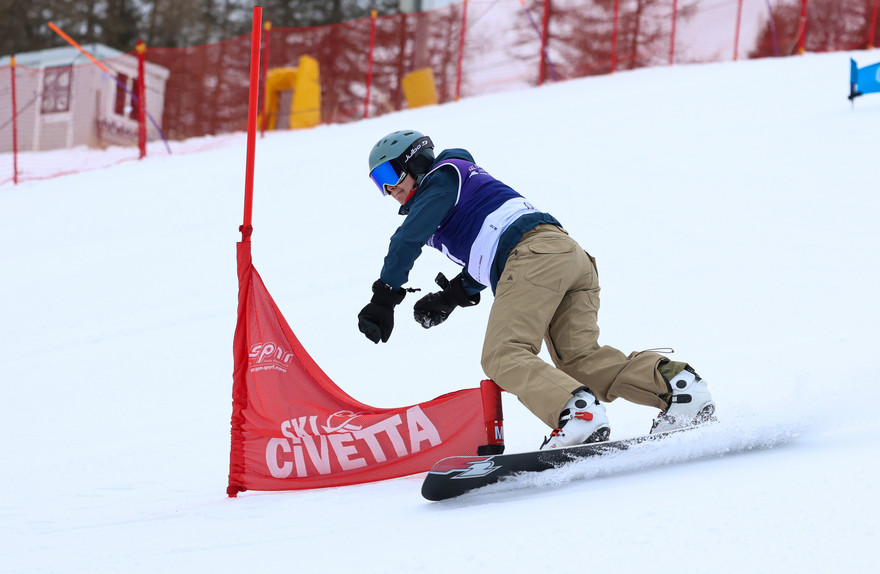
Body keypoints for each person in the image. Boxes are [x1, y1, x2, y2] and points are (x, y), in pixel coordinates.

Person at [357, 130, 715, 448]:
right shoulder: (457, 185)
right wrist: (452, 296)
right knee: (580, 360)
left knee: (503, 355)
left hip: (532, 256)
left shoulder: (441, 178)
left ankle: (578, 416)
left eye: (389, 175)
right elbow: (490, 243)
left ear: (415, 162)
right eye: (378, 183)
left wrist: (384, 298)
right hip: (567, 256)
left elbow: (407, 240)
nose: (389, 190)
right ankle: (679, 388)